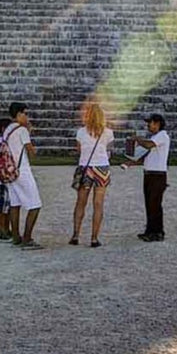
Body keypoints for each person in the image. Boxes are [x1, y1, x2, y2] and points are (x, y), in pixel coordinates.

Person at [70, 99, 114, 248]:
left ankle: (76, 235)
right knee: (98, 204)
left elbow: (79, 150)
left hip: (85, 168)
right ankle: (94, 238)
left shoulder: (81, 132)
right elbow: (109, 150)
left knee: (81, 203)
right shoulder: (108, 132)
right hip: (102, 168)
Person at [2, 101, 42, 247]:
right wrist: (29, 132)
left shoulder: (8, 130)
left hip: (10, 170)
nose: (27, 116)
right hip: (22, 170)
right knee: (35, 205)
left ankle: (15, 236)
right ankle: (27, 238)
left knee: (15, 204)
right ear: (19, 114)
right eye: (25, 113)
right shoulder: (22, 130)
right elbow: (32, 152)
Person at [134, 113, 170, 241]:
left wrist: (138, 139)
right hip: (150, 174)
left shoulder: (162, 135)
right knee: (150, 204)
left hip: (157, 175)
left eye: (150, 123)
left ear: (157, 123)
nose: (148, 125)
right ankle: (150, 230)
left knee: (155, 204)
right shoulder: (155, 137)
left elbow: (149, 145)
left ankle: (157, 232)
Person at [0, 117, 13, 239]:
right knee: (1, 204)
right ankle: (1, 230)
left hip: (8, 175)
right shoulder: (1, 142)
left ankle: (6, 228)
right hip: (2, 176)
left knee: (9, 204)